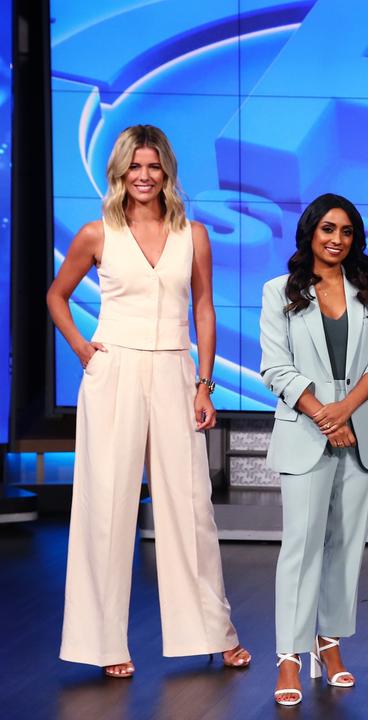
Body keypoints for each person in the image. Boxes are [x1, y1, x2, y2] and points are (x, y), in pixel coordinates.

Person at [48, 124, 250, 677]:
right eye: (134, 167)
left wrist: (204, 383)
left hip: (173, 369)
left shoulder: (194, 235)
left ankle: (215, 631)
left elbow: (204, 310)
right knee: (105, 507)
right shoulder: (97, 234)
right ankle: (101, 645)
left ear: (166, 173)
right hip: (113, 370)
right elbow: (56, 296)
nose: (143, 176)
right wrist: (85, 351)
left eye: (153, 167)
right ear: (120, 172)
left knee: (189, 507)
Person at [260, 194, 368, 706]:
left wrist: (345, 411)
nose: (336, 239)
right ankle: (290, 657)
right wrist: (324, 414)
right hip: (305, 431)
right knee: (301, 546)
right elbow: (275, 368)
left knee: (346, 547)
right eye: (327, 229)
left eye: (346, 231)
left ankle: (330, 644)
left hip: (361, 430)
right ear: (309, 234)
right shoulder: (280, 292)